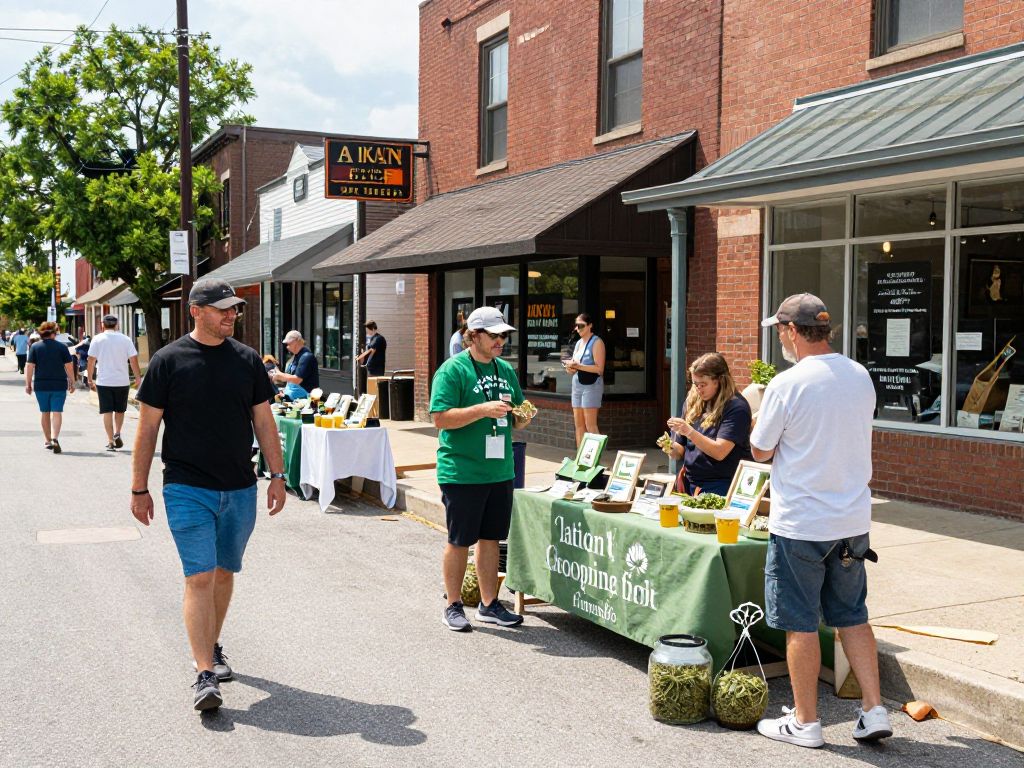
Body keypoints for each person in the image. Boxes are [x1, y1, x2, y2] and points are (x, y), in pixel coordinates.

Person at [131, 277, 287, 712]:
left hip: (239, 488)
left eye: (234, 309)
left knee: (223, 572)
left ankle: (212, 645)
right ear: (196, 311)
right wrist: (139, 487)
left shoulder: (247, 360)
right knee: (199, 574)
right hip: (186, 487)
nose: (232, 314)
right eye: (223, 309)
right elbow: (146, 430)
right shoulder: (167, 361)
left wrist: (278, 475)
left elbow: (264, 422)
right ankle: (204, 672)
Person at [750, 293, 891, 749]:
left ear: (793, 331)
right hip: (850, 518)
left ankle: (806, 722)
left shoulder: (787, 384)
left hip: (801, 523)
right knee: (852, 615)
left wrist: (758, 413)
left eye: (780, 331)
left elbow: (760, 450)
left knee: (800, 623)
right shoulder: (860, 375)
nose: (780, 339)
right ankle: (874, 708)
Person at [430, 305, 535, 632]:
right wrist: (482, 409)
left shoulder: (505, 370)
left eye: (503, 335)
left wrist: (524, 416)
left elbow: (517, 415)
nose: (501, 340)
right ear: (474, 336)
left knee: (491, 539)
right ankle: (453, 604)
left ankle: (489, 605)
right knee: (460, 539)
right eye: (494, 335)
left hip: (500, 470)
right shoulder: (453, 370)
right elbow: (440, 418)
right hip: (462, 471)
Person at [665, 352, 752, 496]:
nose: (698, 389)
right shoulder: (692, 401)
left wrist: (689, 431)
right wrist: (667, 445)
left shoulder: (736, 407)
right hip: (689, 482)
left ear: (719, 381)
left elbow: (720, 452)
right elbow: (678, 452)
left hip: (720, 485)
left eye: (703, 384)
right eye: (695, 384)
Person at [87, 314, 142, 451]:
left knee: (107, 411)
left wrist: (89, 378)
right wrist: (138, 377)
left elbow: (91, 360)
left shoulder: (97, 339)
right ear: (117, 325)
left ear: (102, 325)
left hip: (104, 381)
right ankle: (117, 432)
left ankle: (110, 440)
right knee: (120, 410)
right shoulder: (126, 339)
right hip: (122, 381)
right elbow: (133, 359)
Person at [24, 321, 75, 454]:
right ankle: (55, 438)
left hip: (41, 385)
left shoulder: (35, 347)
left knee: (45, 412)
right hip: (59, 384)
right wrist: (72, 381)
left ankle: (47, 440)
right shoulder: (62, 347)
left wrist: (28, 384)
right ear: (54, 333)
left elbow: (30, 366)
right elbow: (69, 365)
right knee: (57, 412)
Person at [563, 313, 605, 446]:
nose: (578, 328)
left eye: (581, 325)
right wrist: (570, 368)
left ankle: (596, 459)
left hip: (591, 385)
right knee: (579, 425)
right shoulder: (578, 344)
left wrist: (578, 366)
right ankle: (580, 460)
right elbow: (575, 365)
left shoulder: (597, 342)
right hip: (577, 385)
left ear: (590, 326)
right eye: (576, 325)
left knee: (590, 425)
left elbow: (599, 369)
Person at [272, 330, 319, 401]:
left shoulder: (306, 357)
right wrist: (285, 390)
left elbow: (297, 379)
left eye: (288, 344)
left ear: (296, 341)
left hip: (305, 400)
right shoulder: (296, 356)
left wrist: (280, 375)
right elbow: (291, 379)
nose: (287, 347)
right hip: (293, 398)